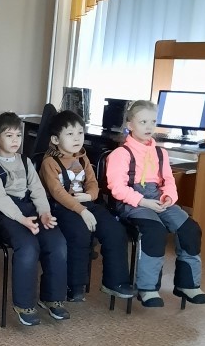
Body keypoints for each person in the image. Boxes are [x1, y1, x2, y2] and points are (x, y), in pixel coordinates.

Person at [106, 100, 205, 307]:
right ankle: (148, 288)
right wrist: (143, 201)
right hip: (132, 201)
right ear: (130, 125)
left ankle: (187, 284)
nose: (149, 127)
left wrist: (169, 197)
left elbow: (169, 181)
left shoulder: (161, 153)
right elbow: (117, 188)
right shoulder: (121, 154)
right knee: (155, 231)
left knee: (190, 229)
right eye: (143, 122)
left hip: (159, 199)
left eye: (153, 122)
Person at [39, 110, 136, 302]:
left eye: (80, 133)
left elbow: (93, 183)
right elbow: (57, 193)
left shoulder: (83, 158)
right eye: (70, 134)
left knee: (115, 231)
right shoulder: (49, 162)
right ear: (55, 139)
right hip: (62, 207)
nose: (77, 138)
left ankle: (114, 282)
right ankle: (74, 286)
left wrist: (89, 196)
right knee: (79, 233)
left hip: (86, 203)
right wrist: (82, 210)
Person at [0, 112, 69, 326]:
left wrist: (44, 213)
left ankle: (52, 297)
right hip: (2, 213)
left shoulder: (25, 161)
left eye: (18, 135)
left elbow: (37, 190)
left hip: (28, 208)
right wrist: (22, 220)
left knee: (56, 242)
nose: (15, 140)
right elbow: (0, 199)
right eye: (9, 135)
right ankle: (24, 304)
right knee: (28, 246)